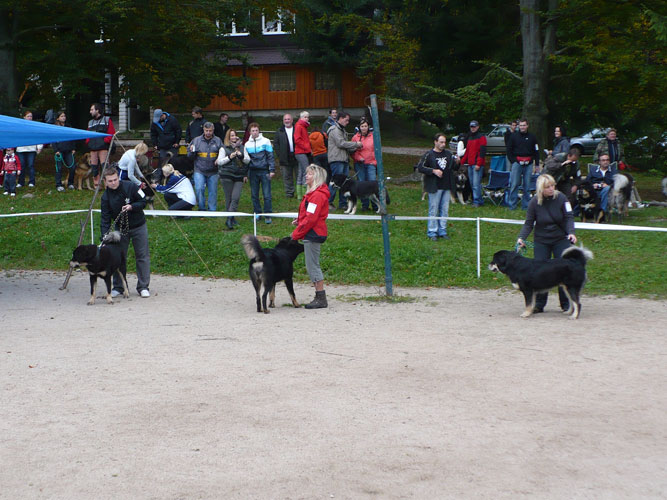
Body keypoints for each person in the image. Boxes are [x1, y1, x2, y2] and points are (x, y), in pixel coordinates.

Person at [517, 173, 577, 313]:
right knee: (540, 272)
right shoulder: (534, 202)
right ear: (541, 189)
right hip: (542, 241)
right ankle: (539, 304)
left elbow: (569, 217)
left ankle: (565, 304)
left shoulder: (561, 198)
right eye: (548, 187)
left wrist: (571, 232)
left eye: (553, 185)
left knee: (563, 270)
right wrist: (522, 238)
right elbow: (529, 223)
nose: (551, 189)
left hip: (560, 239)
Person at [100, 168, 151, 298]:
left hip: (139, 225)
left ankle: (143, 286)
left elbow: (143, 201)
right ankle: (118, 287)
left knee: (142, 256)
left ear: (119, 178)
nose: (113, 183)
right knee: (118, 258)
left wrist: (132, 207)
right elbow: (105, 219)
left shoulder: (130, 186)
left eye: (115, 179)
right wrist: (105, 237)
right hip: (120, 229)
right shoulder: (105, 197)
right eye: (110, 181)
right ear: (105, 182)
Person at [291, 164, 330, 309]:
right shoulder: (314, 195)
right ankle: (319, 296)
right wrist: (300, 221)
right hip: (312, 232)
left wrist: (296, 234)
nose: (306, 176)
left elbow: (311, 219)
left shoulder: (317, 195)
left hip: (313, 233)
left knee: (313, 266)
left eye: (309, 174)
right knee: (311, 265)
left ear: (316, 177)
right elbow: (309, 216)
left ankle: (321, 297)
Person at [417, 133, 457, 241]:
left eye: (444, 142)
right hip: (434, 186)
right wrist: (433, 171)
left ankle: (442, 230)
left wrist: (457, 161)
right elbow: (420, 167)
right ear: (435, 142)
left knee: (444, 209)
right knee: (433, 209)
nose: (443, 144)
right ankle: (432, 232)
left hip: (446, 185)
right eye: (441, 142)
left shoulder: (448, 154)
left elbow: (454, 167)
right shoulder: (429, 155)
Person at [327, 111, 361, 210]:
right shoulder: (334, 130)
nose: (347, 122)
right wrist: (356, 144)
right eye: (346, 120)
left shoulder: (342, 130)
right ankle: (328, 202)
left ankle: (343, 203)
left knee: (344, 183)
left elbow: (345, 146)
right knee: (335, 183)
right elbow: (341, 143)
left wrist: (355, 148)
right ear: (340, 118)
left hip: (344, 160)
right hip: (337, 160)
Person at [243, 122, 275, 224]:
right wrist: (245, 174)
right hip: (253, 172)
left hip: (264, 170)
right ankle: (257, 212)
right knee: (254, 194)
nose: (255, 132)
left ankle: (268, 215)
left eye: (256, 130)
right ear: (250, 132)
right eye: (253, 131)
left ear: (259, 131)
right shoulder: (247, 145)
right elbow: (246, 161)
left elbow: (270, 156)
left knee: (267, 194)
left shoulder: (266, 141)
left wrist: (272, 170)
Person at [216, 129, 248, 229]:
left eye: (235, 135)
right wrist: (230, 157)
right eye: (232, 136)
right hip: (227, 175)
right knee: (229, 199)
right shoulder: (223, 148)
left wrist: (241, 156)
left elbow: (247, 160)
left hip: (239, 175)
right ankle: (231, 219)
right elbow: (219, 162)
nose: (234, 137)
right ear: (228, 137)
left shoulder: (242, 147)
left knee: (236, 197)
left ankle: (229, 219)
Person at [188, 122, 222, 211]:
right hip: (199, 170)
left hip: (213, 171)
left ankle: (212, 210)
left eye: (210, 131)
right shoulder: (196, 140)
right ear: (203, 130)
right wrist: (191, 152)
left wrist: (219, 158)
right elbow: (190, 157)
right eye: (206, 130)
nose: (208, 133)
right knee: (199, 189)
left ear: (213, 130)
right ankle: (201, 208)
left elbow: (223, 153)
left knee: (213, 191)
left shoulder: (218, 141)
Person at [507, 118, 540, 210]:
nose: (522, 127)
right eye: (521, 125)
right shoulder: (513, 136)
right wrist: (513, 161)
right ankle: (512, 205)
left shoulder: (532, 137)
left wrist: (536, 164)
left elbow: (536, 151)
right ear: (518, 126)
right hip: (517, 163)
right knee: (514, 184)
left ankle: (526, 206)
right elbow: (508, 150)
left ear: (527, 126)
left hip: (529, 164)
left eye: (524, 125)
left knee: (527, 185)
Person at [351, 117, 377, 211]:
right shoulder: (355, 137)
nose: (364, 128)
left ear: (368, 127)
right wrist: (358, 158)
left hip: (371, 163)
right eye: (362, 126)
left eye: (365, 126)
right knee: (361, 183)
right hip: (360, 164)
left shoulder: (374, 137)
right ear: (359, 127)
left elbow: (376, 150)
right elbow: (352, 151)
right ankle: (365, 205)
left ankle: (375, 205)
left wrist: (375, 161)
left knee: (372, 182)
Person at [86, 103, 115, 188]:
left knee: (105, 166)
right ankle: (97, 185)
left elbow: (111, 133)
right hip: (93, 148)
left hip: (103, 147)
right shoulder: (90, 122)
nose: (90, 111)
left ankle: (107, 184)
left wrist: (105, 141)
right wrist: (88, 141)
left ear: (97, 110)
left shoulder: (106, 120)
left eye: (92, 109)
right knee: (94, 167)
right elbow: (88, 133)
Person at [460, 120, 487, 207]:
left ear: (478, 127)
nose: (473, 128)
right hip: (470, 164)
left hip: (476, 164)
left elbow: (482, 152)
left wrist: (479, 164)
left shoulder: (481, 137)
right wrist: (462, 161)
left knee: (476, 184)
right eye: (471, 127)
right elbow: (467, 151)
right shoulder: (470, 137)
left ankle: (476, 201)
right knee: (472, 184)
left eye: (474, 126)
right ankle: (479, 200)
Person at [16, 110, 43, 188]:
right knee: (21, 165)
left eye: (31, 116)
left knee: (31, 165)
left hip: (31, 149)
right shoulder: (19, 127)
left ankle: (32, 182)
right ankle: (21, 182)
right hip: (21, 149)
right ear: (24, 117)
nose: (29, 118)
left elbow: (39, 137)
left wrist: (39, 147)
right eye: (28, 116)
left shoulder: (35, 126)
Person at [51, 110, 77, 191]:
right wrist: (56, 150)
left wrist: (73, 148)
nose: (63, 118)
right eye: (62, 116)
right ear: (58, 118)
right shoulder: (55, 128)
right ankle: (58, 184)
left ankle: (70, 183)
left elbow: (72, 138)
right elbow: (53, 140)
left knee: (72, 167)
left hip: (68, 150)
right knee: (59, 168)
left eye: (64, 116)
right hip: (59, 150)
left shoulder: (68, 126)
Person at [275, 113, 297, 198]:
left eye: (288, 119)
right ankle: (289, 193)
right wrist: (280, 155)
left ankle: (301, 193)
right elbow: (276, 144)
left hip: (296, 155)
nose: (287, 121)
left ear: (292, 120)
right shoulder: (279, 131)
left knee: (299, 175)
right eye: (285, 119)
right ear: (283, 121)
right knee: (287, 176)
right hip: (284, 157)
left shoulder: (297, 129)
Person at [294, 110, 312, 198]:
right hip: (301, 151)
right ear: (301, 118)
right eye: (305, 117)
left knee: (301, 172)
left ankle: (300, 195)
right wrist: (306, 147)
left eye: (307, 117)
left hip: (302, 151)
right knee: (306, 170)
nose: (307, 118)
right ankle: (305, 192)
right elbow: (297, 140)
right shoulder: (299, 126)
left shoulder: (303, 126)